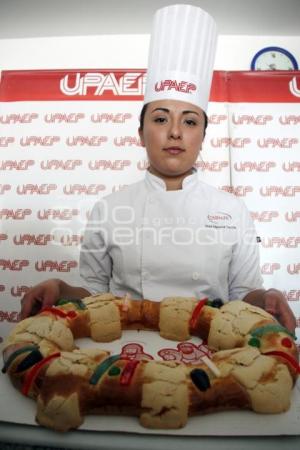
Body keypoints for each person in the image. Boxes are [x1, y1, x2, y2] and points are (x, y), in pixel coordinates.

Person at [20, 5, 296, 334]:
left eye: (190, 121)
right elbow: (93, 295)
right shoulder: (109, 209)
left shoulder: (232, 210)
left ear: (203, 136)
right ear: (141, 134)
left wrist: (268, 296)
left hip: (212, 348)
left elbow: (243, 295)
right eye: (161, 118)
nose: (175, 132)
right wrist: (60, 288)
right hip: (127, 347)